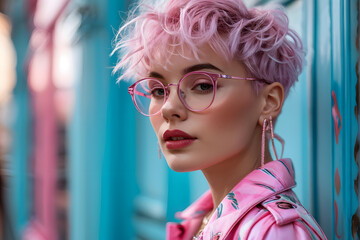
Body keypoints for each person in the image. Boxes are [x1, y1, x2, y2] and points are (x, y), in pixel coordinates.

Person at [112, 0, 327, 239]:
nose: (169, 108)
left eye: (203, 86)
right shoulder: (201, 219)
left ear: (269, 101)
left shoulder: (274, 231)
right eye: (158, 90)